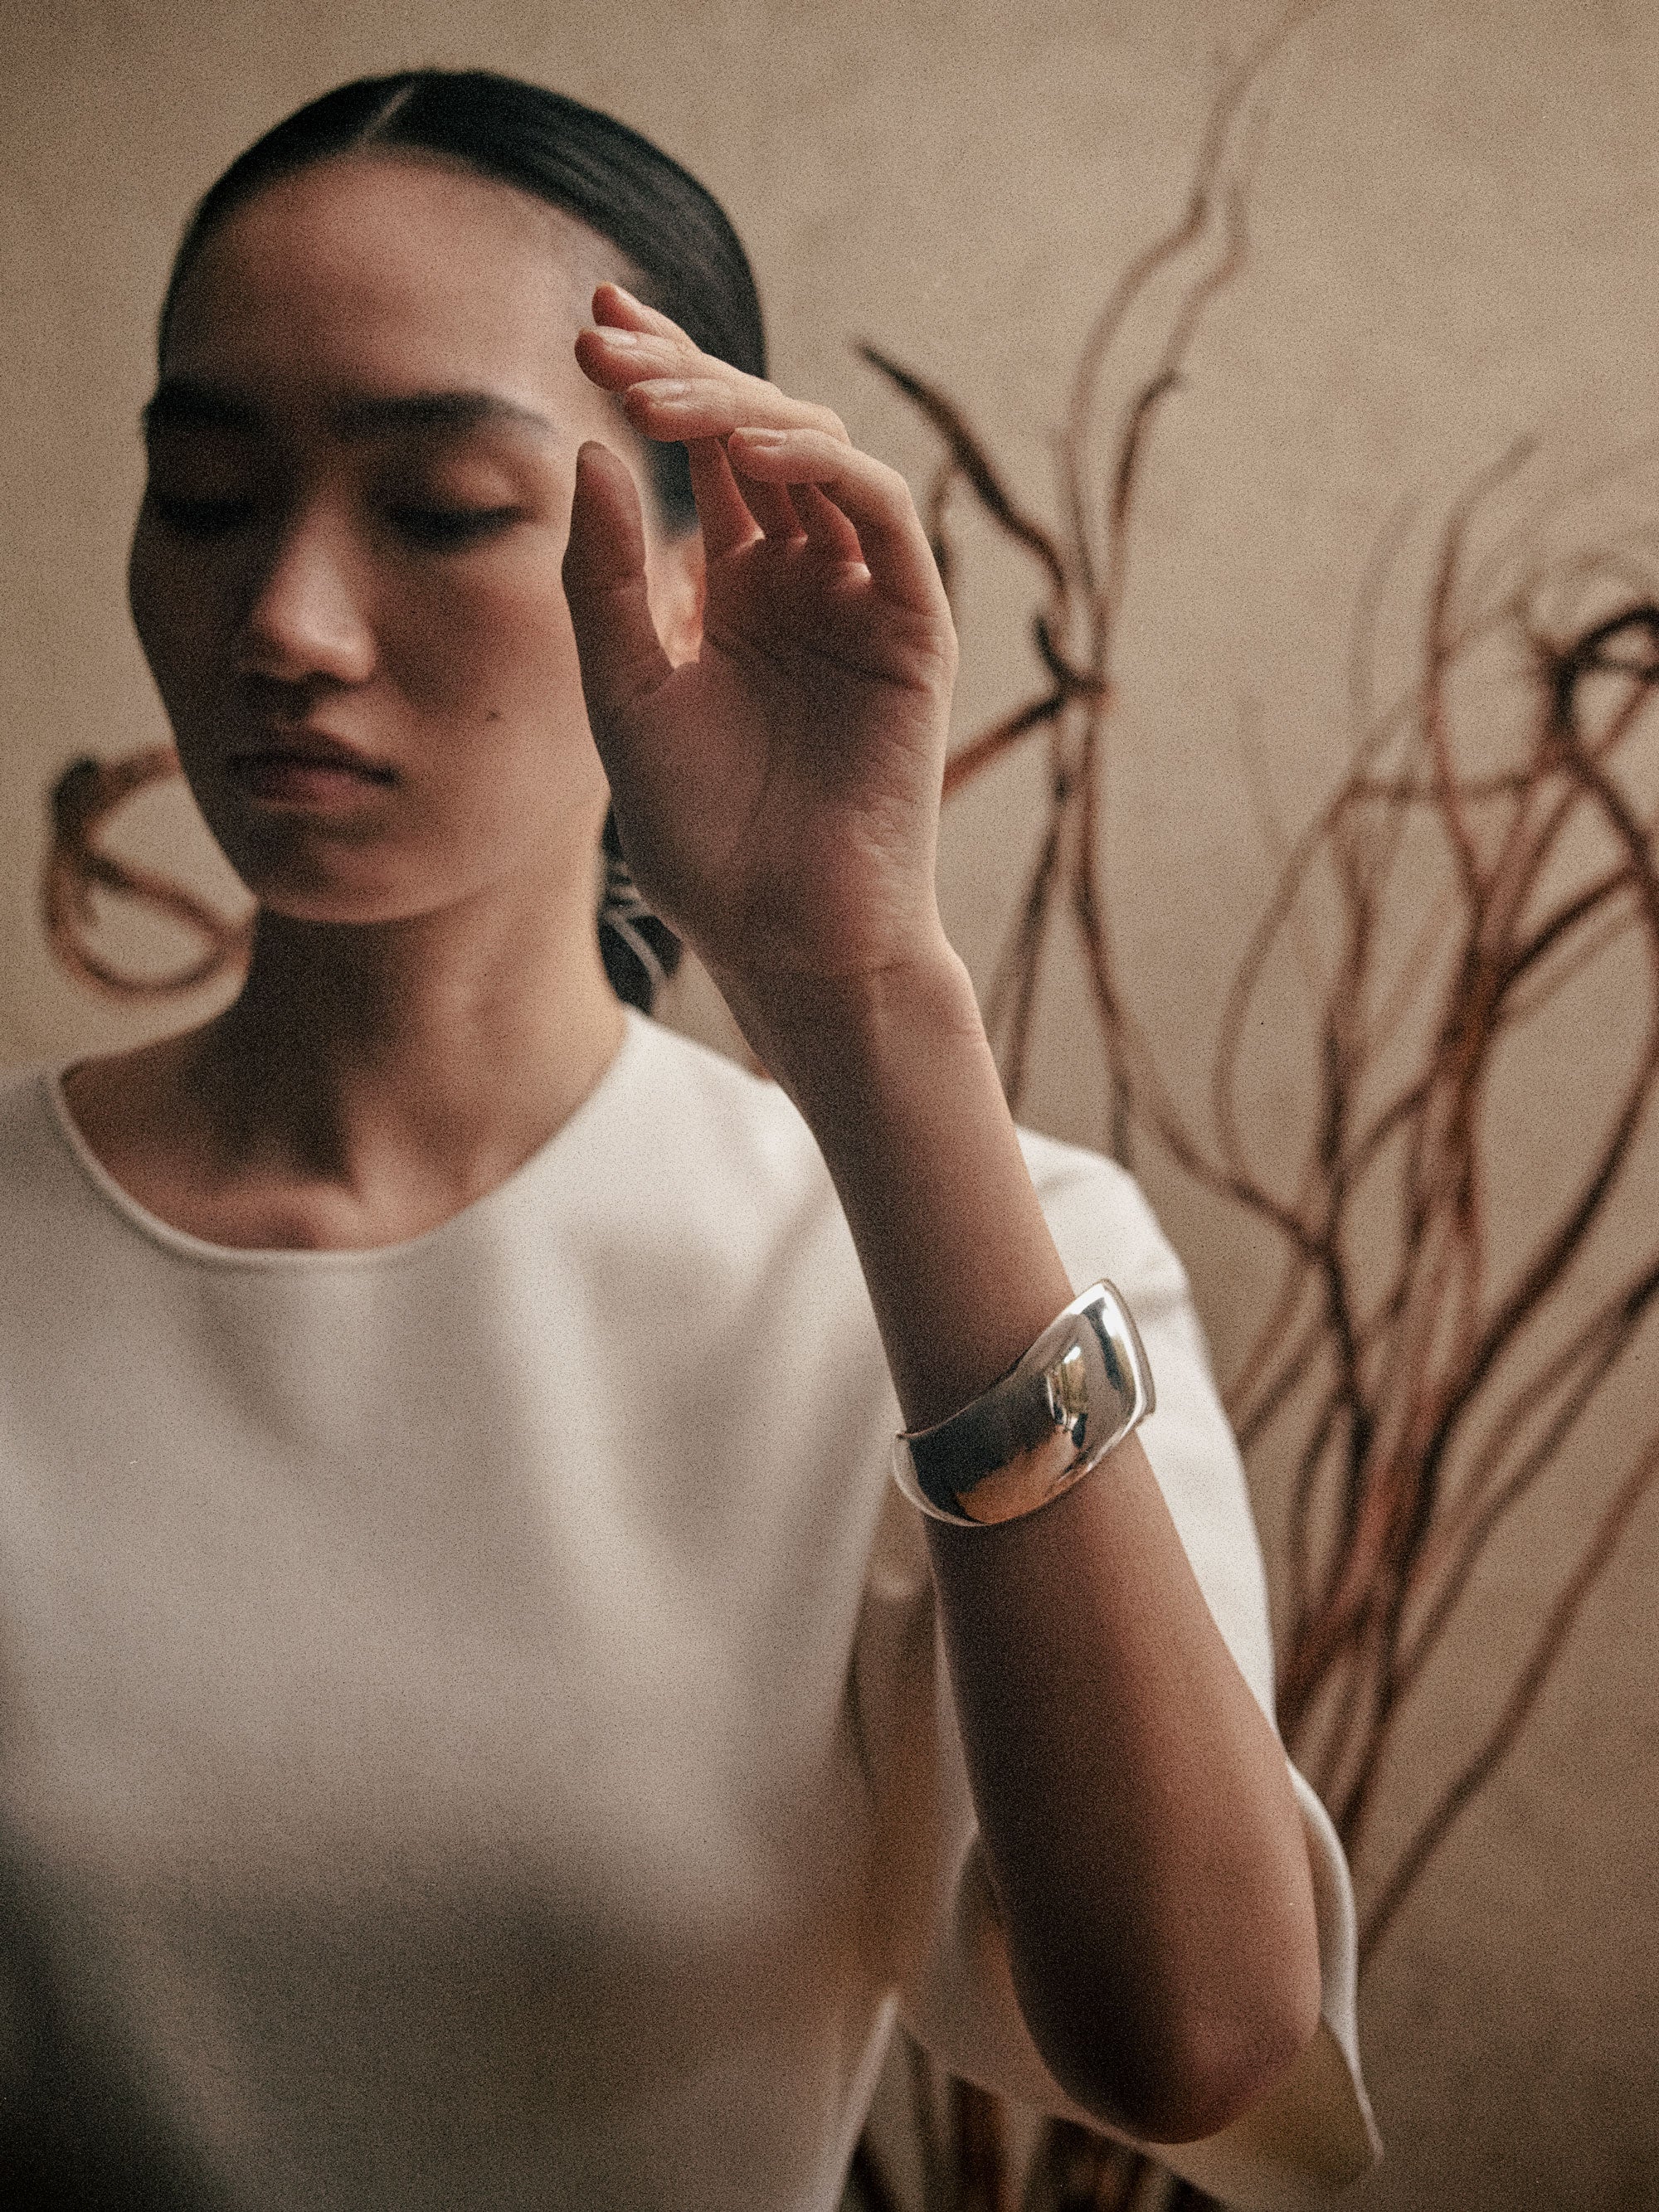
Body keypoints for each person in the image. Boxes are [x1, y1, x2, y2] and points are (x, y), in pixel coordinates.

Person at [0, 68, 1377, 2212]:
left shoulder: (961, 1279)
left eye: (440, 507)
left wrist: (866, 990)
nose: (284, 621)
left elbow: (1193, 2036)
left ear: (686, 558)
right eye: (205, 493)